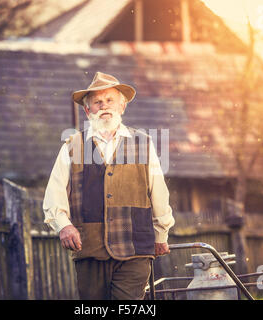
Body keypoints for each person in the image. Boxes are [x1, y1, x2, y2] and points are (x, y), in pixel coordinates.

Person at [43, 71, 175, 300]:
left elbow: (158, 192)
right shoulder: (72, 146)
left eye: (110, 100)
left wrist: (161, 233)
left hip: (135, 247)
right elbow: (54, 193)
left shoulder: (143, 143)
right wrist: (63, 225)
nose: (104, 106)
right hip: (89, 249)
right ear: (88, 110)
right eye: (97, 102)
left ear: (122, 106)